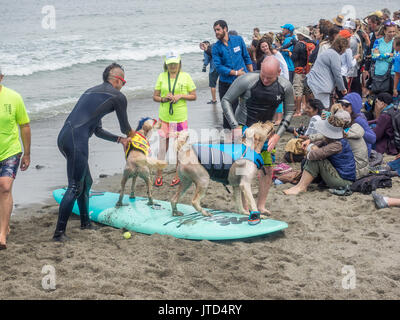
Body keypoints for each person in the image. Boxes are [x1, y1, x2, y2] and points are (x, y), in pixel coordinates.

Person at [53, 63, 132, 242]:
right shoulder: (117, 96)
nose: (123, 86)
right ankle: (59, 234)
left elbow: (96, 130)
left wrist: (119, 140)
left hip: (64, 137)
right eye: (124, 82)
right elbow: (125, 127)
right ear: (118, 80)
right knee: (74, 186)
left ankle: (85, 223)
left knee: (85, 182)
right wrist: (135, 138)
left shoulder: (92, 92)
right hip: (76, 139)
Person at [221, 56, 295, 214]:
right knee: (243, 169)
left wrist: (277, 136)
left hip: (266, 132)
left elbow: (289, 112)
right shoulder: (247, 80)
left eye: (270, 77)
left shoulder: (285, 86)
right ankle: (245, 207)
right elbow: (226, 100)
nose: (266, 80)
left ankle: (261, 205)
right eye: (263, 75)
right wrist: (234, 126)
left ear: (279, 72)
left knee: (267, 169)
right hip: (244, 129)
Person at [153, 52, 196, 187]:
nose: (172, 66)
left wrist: (180, 96)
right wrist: (164, 99)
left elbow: (193, 96)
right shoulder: (161, 76)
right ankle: (159, 175)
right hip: (164, 117)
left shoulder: (186, 76)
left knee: (180, 148)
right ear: (166, 63)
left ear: (179, 63)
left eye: (175, 63)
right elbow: (155, 96)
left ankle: (177, 175)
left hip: (180, 118)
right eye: (170, 63)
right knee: (162, 148)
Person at [284, 114, 356, 195]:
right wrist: (312, 144)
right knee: (315, 156)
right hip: (339, 176)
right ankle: (300, 186)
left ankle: (301, 187)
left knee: (317, 159)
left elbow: (312, 155)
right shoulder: (335, 140)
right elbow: (321, 143)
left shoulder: (337, 145)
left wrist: (312, 147)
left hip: (344, 181)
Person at [0, 67, 31, 249]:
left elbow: (24, 125)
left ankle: (2, 234)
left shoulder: (14, 97)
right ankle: (5, 223)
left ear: (1, 77)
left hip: (10, 150)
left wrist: (26, 153)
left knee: (4, 187)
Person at [211, 20, 253, 129]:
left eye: (218, 29)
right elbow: (219, 67)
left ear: (225, 29)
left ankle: (245, 135)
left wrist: (252, 76)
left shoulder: (238, 40)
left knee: (246, 108)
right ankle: (229, 139)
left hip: (243, 81)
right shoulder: (215, 47)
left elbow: (246, 57)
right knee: (228, 111)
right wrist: (235, 73)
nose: (216, 32)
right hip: (226, 83)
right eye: (215, 30)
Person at [305, 35, 348, 108]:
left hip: (312, 82)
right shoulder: (334, 55)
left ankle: (318, 118)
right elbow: (337, 74)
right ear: (342, 48)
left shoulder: (328, 52)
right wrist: (342, 88)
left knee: (317, 107)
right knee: (324, 108)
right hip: (321, 85)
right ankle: (322, 119)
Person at [255, 37, 289, 125]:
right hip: (270, 79)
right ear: (260, 48)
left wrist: (286, 79)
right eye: (262, 47)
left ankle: (279, 118)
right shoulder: (263, 57)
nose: (265, 48)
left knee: (279, 97)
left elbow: (284, 65)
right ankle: (273, 118)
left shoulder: (275, 53)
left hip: (280, 77)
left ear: (268, 45)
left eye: (266, 46)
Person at [339, 92, 376, 157]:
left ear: (354, 106)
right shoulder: (347, 117)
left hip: (362, 154)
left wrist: (359, 132)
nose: (343, 107)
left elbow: (373, 139)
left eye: (346, 105)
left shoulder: (358, 120)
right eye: (342, 104)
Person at [292, 26, 316, 116]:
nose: (297, 36)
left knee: (298, 91)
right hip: (309, 71)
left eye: (298, 34)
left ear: (302, 35)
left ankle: (298, 111)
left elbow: (293, 58)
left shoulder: (299, 44)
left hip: (299, 71)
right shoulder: (313, 44)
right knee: (308, 91)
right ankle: (309, 108)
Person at [371, 21, 397, 94]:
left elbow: (395, 58)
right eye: (390, 32)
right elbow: (374, 56)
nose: (392, 34)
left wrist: (381, 55)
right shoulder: (378, 42)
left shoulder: (396, 42)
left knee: (392, 97)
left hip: (393, 74)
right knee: (380, 97)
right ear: (385, 31)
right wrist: (388, 55)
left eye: (393, 31)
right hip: (379, 73)